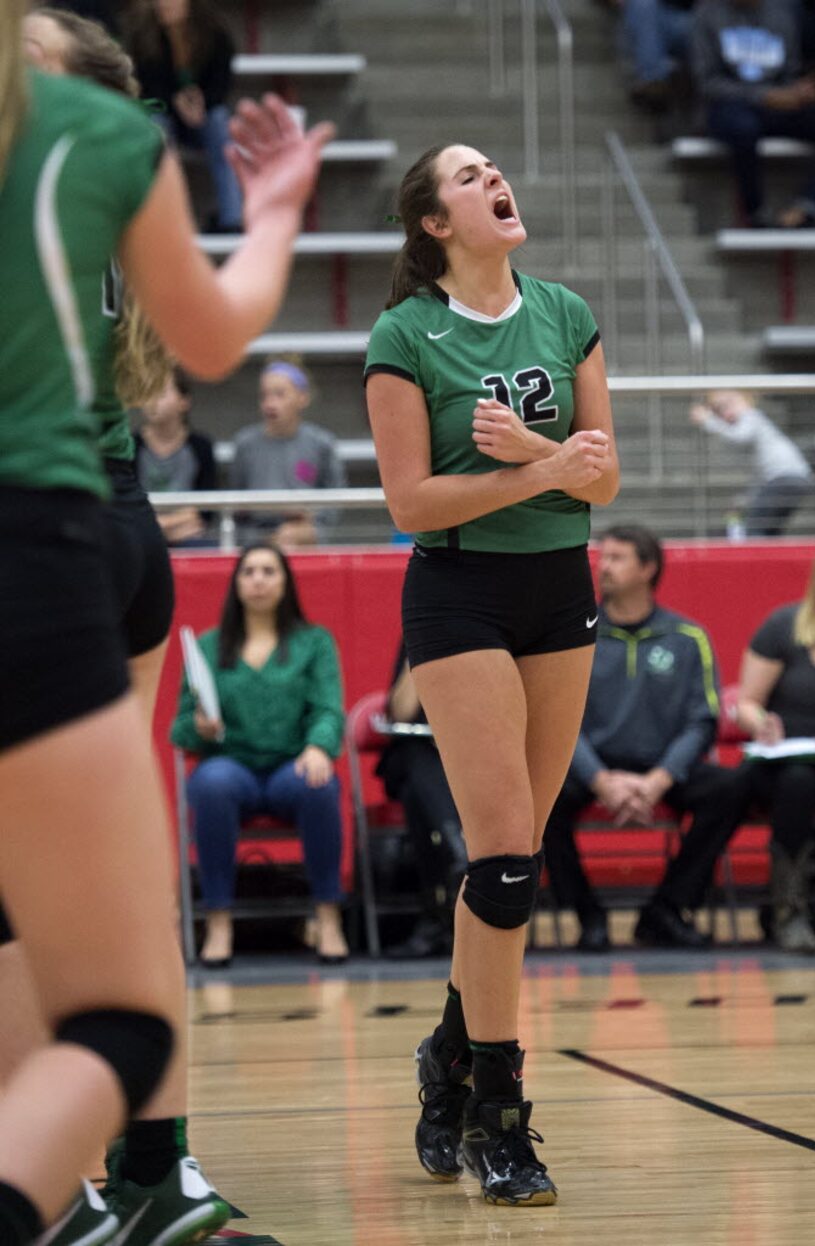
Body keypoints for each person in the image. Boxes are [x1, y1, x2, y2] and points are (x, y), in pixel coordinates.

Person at [0, 0, 333, 1235]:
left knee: (67, 900)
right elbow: (215, 328)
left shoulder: (90, 132)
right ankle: (115, 1177)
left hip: (84, 535)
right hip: (67, 542)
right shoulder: (101, 135)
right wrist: (281, 208)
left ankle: (116, 1179)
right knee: (99, 924)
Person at [365, 142, 619, 1205]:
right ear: (433, 223)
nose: (493, 180)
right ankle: (498, 1117)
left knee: (506, 874)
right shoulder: (404, 334)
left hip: (559, 592)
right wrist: (539, 466)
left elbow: (602, 479)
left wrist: (539, 460)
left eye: (492, 169)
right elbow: (410, 504)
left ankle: (446, 1053)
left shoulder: (562, 311)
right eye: (467, 176)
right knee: (506, 857)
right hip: (459, 593)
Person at [542, 526, 752, 952]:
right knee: (540, 799)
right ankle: (587, 914)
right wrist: (601, 781)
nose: (603, 566)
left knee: (731, 788)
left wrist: (659, 780)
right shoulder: (572, 634)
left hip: (662, 765)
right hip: (592, 765)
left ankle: (667, 909)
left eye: (617, 558)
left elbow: (701, 722)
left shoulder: (688, 638)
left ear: (648, 569)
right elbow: (559, 720)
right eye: (603, 557)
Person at [170, 544, 349, 966]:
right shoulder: (210, 647)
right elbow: (179, 728)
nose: (258, 579)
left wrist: (318, 747)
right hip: (231, 765)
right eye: (249, 571)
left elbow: (328, 708)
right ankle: (218, 921)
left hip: (292, 764)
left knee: (318, 785)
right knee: (212, 783)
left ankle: (327, 917)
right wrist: (199, 726)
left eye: (269, 570)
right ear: (236, 583)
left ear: (286, 582)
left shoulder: (314, 642)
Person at [733, 539, 815, 952]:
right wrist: (762, 724)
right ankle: (789, 909)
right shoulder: (783, 627)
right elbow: (746, 703)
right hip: (785, 761)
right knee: (798, 782)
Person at [690, 0, 815, 227]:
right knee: (744, 128)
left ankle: (807, 206)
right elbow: (707, 83)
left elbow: (789, 71)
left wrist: (798, 90)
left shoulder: (781, 15)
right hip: (728, 105)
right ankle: (755, 212)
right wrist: (765, 96)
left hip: (777, 106)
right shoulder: (707, 14)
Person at [376, 641, 467, 958]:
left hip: (470, 758)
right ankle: (461, 852)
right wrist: (422, 647)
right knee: (418, 765)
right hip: (418, 755)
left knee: (417, 798)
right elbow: (401, 712)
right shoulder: (418, 635)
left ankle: (433, 918)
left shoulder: (491, 635)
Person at [122, 0, 243, 232]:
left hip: (202, 114)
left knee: (219, 121)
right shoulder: (143, 34)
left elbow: (222, 82)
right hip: (166, 112)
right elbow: (144, 87)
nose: (163, 4)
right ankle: (166, 219)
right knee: (156, 125)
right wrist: (175, 102)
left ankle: (232, 218)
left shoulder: (215, 34)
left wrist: (201, 103)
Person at [230, 358, 346, 547]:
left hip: (305, 534)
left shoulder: (321, 443)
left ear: (302, 397)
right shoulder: (245, 444)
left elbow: (334, 499)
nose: (270, 403)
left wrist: (310, 521)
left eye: (279, 394)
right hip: (257, 537)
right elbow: (237, 504)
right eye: (264, 395)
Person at [689, 389, 813, 536]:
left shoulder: (750, 416)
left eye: (726, 405)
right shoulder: (750, 421)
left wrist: (708, 421)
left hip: (786, 479)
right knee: (767, 528)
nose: (723, 413)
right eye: (718, 410)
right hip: (788, 480)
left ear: (742, 400)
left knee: (754, 527)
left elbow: (739, 436)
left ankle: (760, 556)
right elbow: (760, 473)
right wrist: (747, 498)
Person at [135, 366, 218, 546]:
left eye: (161, 392)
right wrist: (162, 528)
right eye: (147, 391)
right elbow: (126, 506)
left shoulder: (201, 447)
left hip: (189, 538)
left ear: (184, 401)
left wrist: (156, 527)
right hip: (141, 536)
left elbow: (205, 512)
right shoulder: (131, 445)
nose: (152, 400)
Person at [620, 0, 697, 113]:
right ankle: (654, 81)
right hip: (662, 17)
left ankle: (661, 72)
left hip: (699, 17)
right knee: (641, 5)